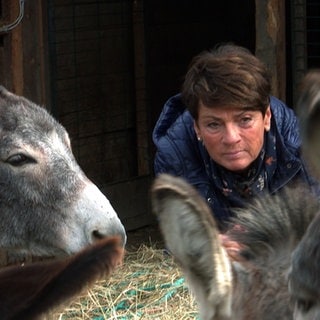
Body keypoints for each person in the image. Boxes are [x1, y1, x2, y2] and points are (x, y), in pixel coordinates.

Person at [152, 43, 318, 235]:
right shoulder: (175, 157)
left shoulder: (302, 148)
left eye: (245, 120)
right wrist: (215, 245)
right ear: (196, 127)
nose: (231, 138)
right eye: (214, 124)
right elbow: (179, 238)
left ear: (266, 118)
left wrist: (265, 238)